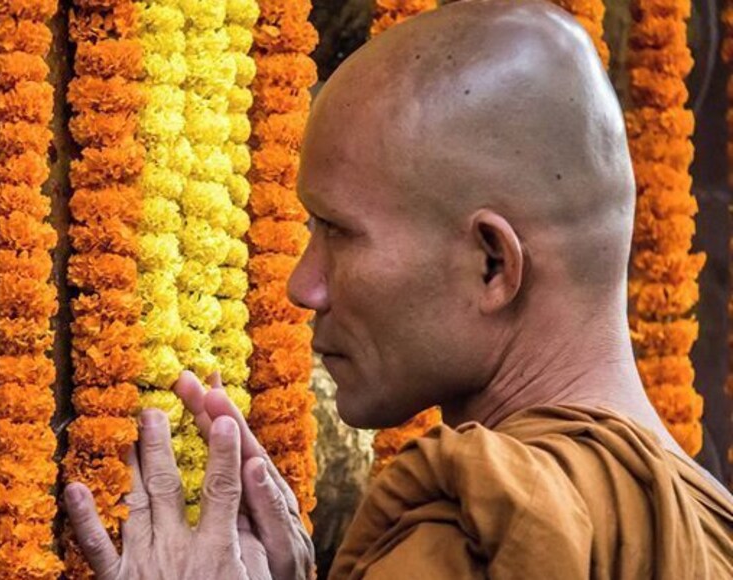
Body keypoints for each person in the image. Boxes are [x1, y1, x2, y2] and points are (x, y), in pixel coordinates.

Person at [63, 0, 733, 577]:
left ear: (492, 264)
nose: (302, 286)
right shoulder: (711, 529)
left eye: (338, 231)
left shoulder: (483, 531)